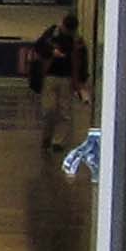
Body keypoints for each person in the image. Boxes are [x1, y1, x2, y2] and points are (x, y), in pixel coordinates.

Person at [35, 12, 91, 151]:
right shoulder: (52, 34)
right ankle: (47, 137)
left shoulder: (77, 41)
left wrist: (81, 81)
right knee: (49, 109)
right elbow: (39, 46)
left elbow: (82, 61)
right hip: (50, 75)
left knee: (64, 111)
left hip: (67, 78)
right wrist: (51, 51)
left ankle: (58, 142)